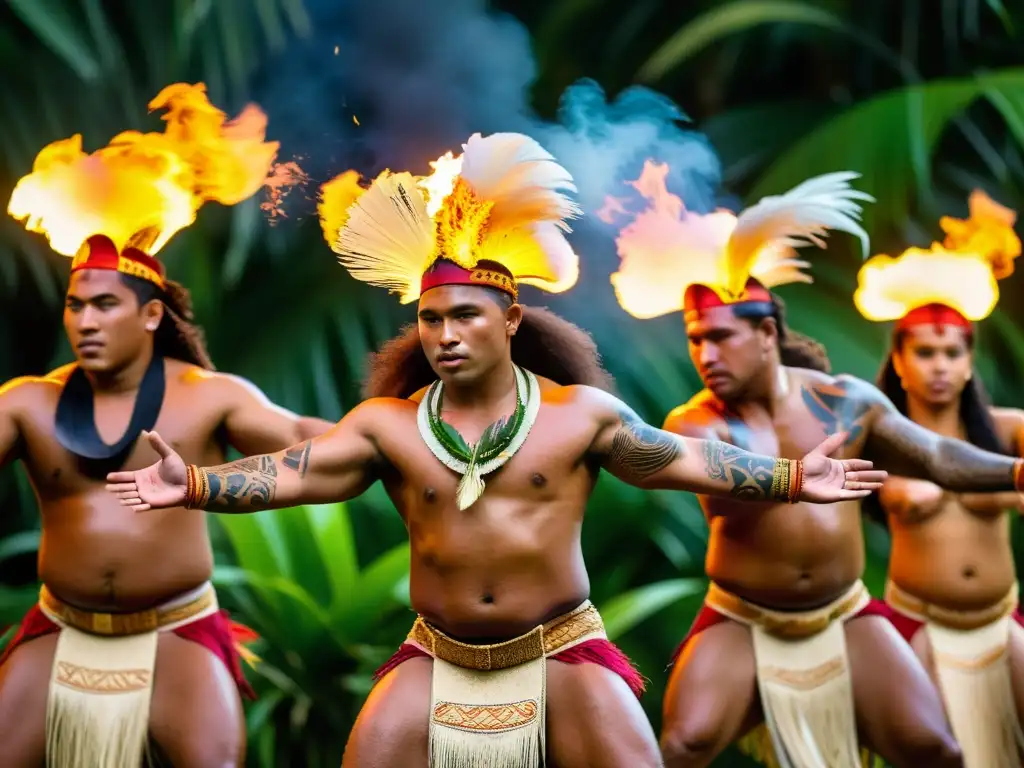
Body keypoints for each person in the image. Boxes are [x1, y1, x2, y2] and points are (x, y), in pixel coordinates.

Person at [108, 132, 886, 768]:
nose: (445, 334)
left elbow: (678, 460)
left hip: (561, 650)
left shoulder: (581, 415)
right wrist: (199, 486)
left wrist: (790, 475)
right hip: (436, 654)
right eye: (431, 318)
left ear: (510, 319)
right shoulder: (389, 424)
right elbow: (299, 470)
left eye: (466, 317)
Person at [605, 164, 1024, 768]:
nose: (705, 354)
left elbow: (935, 456)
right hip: (742, 616)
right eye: (697, 339)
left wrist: (1014, 473)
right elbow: (717, 476)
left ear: (768, 334)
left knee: (933, 748)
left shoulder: (845, 400)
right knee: (683, 745)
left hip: (844, 611)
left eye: (721, 337)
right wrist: (794, 479)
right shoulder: (697, 423)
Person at [0, 83, 334, 768]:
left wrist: (417, 431)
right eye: (74, 305)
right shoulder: (27, 404)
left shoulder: (209, 398)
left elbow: (318, 441)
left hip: (175, 631)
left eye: (104, 306)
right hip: (61, 626)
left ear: (151, 316)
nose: (85, 322)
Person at [855, 189, 1024, 767]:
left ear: (970, 360)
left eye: (952, 353)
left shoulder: (1008, 432)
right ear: (899, 360)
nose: (940, 367)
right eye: (925, 353)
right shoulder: (877, 440)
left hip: (1002, 619)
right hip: (918, 623)